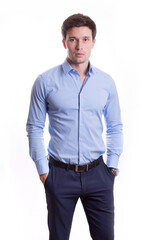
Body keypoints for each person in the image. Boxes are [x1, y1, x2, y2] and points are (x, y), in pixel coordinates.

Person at [26, 13, 123, 240]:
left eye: (85, 39)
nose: (79, 46)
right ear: (64, 42)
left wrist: (113, 168)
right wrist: (43, 171)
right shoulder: (45, 81)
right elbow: (34, 127)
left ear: (93, 42)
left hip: (99, 175)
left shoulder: (106, 82)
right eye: (73, 39)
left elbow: (115, 126)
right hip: (59, 175)